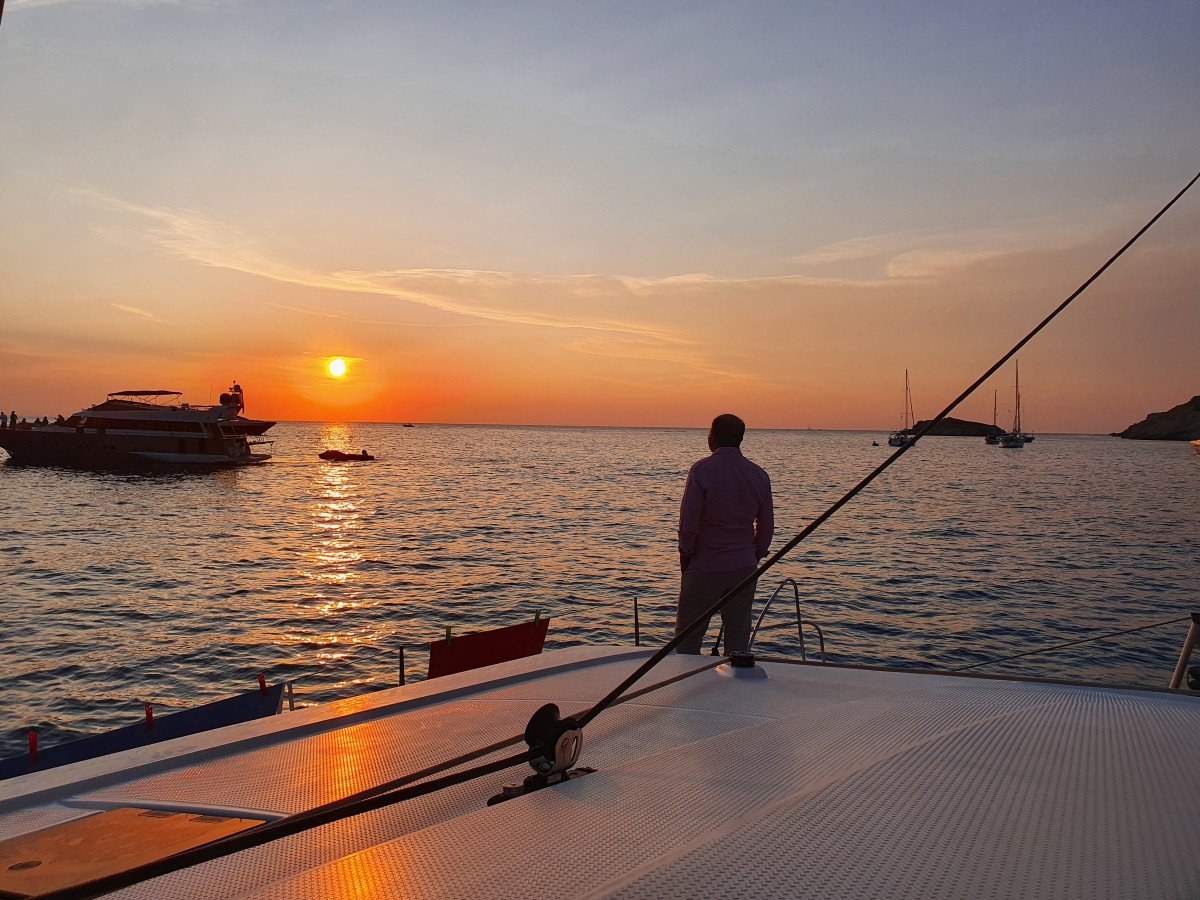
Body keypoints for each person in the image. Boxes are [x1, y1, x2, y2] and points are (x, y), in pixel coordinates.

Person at [675, 413, 774, 655]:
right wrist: (756, 555)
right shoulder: (759, 475)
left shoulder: (701, 470)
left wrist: (686, 555)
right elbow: (766, 528)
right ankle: (736, 689)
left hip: (704, 566)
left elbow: (689, 523)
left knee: (687, 643)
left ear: (714, 437)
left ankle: (686, 690)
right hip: (743, 568)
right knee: (738, 643)